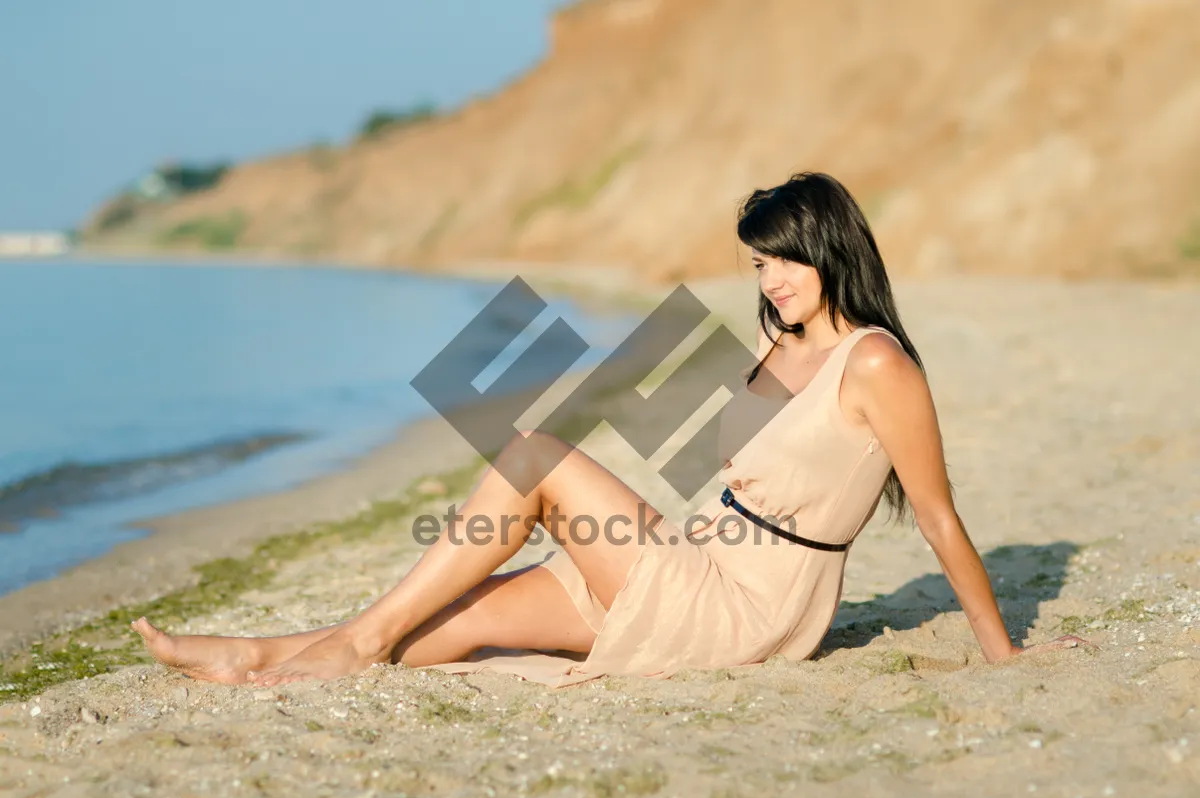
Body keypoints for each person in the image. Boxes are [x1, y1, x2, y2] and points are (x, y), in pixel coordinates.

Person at [132, 172, 1086, 688]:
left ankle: (342, 644)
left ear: (830, 250)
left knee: (537, 455)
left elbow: (939, 519)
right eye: (759, 265)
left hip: (745, 608)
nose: (771, 282)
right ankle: (258, 655)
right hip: (685, 562)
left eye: (786, 263)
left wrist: (1003, 654)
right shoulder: (776, 344)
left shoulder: (878, 364)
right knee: (445, 627)